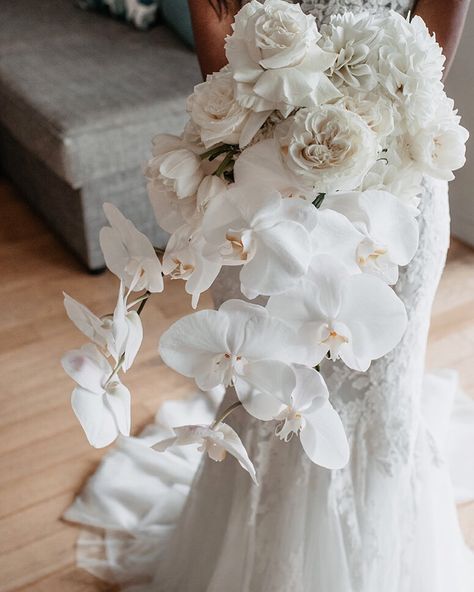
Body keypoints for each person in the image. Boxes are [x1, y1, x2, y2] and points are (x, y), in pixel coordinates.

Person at [65, 2, 474, 590]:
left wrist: (366, 141)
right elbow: (219, 52)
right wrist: (292, 148)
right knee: (262, 396)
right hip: (261, 193)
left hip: (395, 182)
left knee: (384, 404)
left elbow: (430, 47)